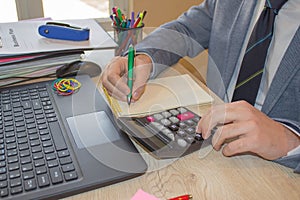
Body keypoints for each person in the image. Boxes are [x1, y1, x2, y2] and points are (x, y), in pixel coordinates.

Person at [101, 0, 300, 173]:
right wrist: (143, 58)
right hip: (209, 142)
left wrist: (290, 142)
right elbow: (185, 29)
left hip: (276, 170)